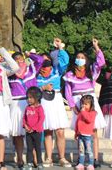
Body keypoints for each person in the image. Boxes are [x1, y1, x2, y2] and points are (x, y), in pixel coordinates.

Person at [63, 38, 106, 168]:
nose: (80, 59)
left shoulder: (90, 72)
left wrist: (96, 47)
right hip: (77, 102)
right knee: (80, 131)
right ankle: (81, 159)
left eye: (82, 57)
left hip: (90, 101)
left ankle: (94, 159)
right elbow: (68, 91)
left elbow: (101, 62)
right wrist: (72, 106)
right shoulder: (70, 74)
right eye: (78, 57)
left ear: (86, 60)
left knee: (93, 131)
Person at [37, 38, 72, 168]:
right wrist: (42, 88)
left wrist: (60, 48)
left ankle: (62, 158)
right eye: (42, 62)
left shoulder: (57, 70)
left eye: (47, 62)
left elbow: (64, 61)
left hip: (56, 100)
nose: (45, 65)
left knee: (60, 131)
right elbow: (32, 87)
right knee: (47, 131)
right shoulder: (36, 74)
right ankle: (48, 158)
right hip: (43, 102)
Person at [8, 50, 43, 169]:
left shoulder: (31, 70)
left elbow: (40, 60)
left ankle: (34, 159)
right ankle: (19, 158)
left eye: (21, 58)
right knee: (18, 134)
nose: (19, 61)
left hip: (32, 104)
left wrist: (29, 55)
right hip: (16, 104)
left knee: (32, 133)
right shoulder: (9, 74)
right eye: (15, 59)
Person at [23, 86, 45, 170]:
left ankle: (39, 163)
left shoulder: (39, 108)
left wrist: (34, 128)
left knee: (38, 148)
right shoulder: (27, 108)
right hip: (28, 132)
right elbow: (24, 118)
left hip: (37, 132)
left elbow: (41, 119)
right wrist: (25, 125)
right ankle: (29, 163)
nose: (29, 99)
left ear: (37, 98)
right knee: (29, 148)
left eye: (31, 98)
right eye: (28, 97)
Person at [75, 95, 97, 170]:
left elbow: (89, 120)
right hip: (80, 135)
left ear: (91, 105)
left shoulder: (93, 113)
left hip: (88, 136)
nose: (84, 106)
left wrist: (83, 112)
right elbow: (77, 123)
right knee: (81, 151)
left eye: (86, 104)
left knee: (89, 151)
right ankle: (81, 163)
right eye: (83, 104)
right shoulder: (81, 113)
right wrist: (76, 133)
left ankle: (91, 164)